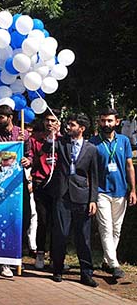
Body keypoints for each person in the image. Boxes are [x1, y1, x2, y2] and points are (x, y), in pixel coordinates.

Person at [44, 114, 99, 287]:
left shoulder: (91, 149)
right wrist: (52, 135)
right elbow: (47, 148)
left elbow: (94, 177)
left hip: (82, 196)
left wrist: (93, 199)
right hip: (62, 195)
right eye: (67, 124)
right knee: (60, 233)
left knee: (83, 236)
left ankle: (86, 273)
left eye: (72, 125)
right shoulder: (61, 143)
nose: (69, 127)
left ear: (81, 129)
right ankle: (58, 269)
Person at [88, 108, 137, 279]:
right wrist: (91, 195)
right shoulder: (93, 142)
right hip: (101, 191)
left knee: (116, 229)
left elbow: (129, 166)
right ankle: (115, 264)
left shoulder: (124, 141)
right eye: (102, 120)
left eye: (109, 121)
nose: (105, 124)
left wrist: (133, 190)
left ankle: (107, 260)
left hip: (121, 191)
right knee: (106, 228)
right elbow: (88, 170)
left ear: (117, 122)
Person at [0, 105, 29, 278]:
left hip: (18, 183)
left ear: (10, 117)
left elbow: (31, 153)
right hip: (0, 183)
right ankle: (4, 261)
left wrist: (27, 157)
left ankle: (18, 255)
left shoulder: (23, 133)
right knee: (2, 219)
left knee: (23, 218)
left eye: (1, 118)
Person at [22, 111, 61, 269]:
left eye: (53, 120)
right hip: (41, 183)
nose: (50, 124)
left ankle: (55, 256)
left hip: (59, 185)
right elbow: (31, 157)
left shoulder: (64, 140)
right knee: (43, 220)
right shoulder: (34, 140)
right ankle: (40, 253)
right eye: (47, 121)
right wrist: (28, 161)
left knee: (56, 222)